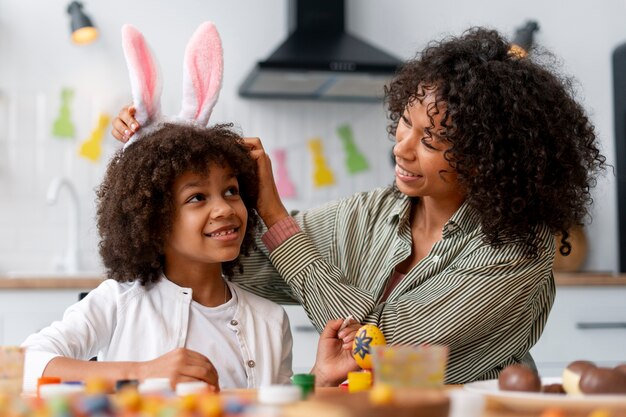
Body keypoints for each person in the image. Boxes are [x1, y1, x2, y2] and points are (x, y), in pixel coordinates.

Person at [111, 27, 607, 385]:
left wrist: (277, 214)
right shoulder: (376, 212)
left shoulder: (514, 248)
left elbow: (381, 346)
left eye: (431, 139)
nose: (403, 147)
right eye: (405, 122)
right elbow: (241, 264)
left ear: (488, 156)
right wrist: (157, 166)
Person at [21, 123, 295, 393]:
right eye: (197, 197)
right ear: (154, 219)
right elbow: (22, 365)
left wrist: (322, 379)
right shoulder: (118, 303)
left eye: (231, 191)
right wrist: (141, 374)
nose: (224, 208)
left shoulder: (271, 320)